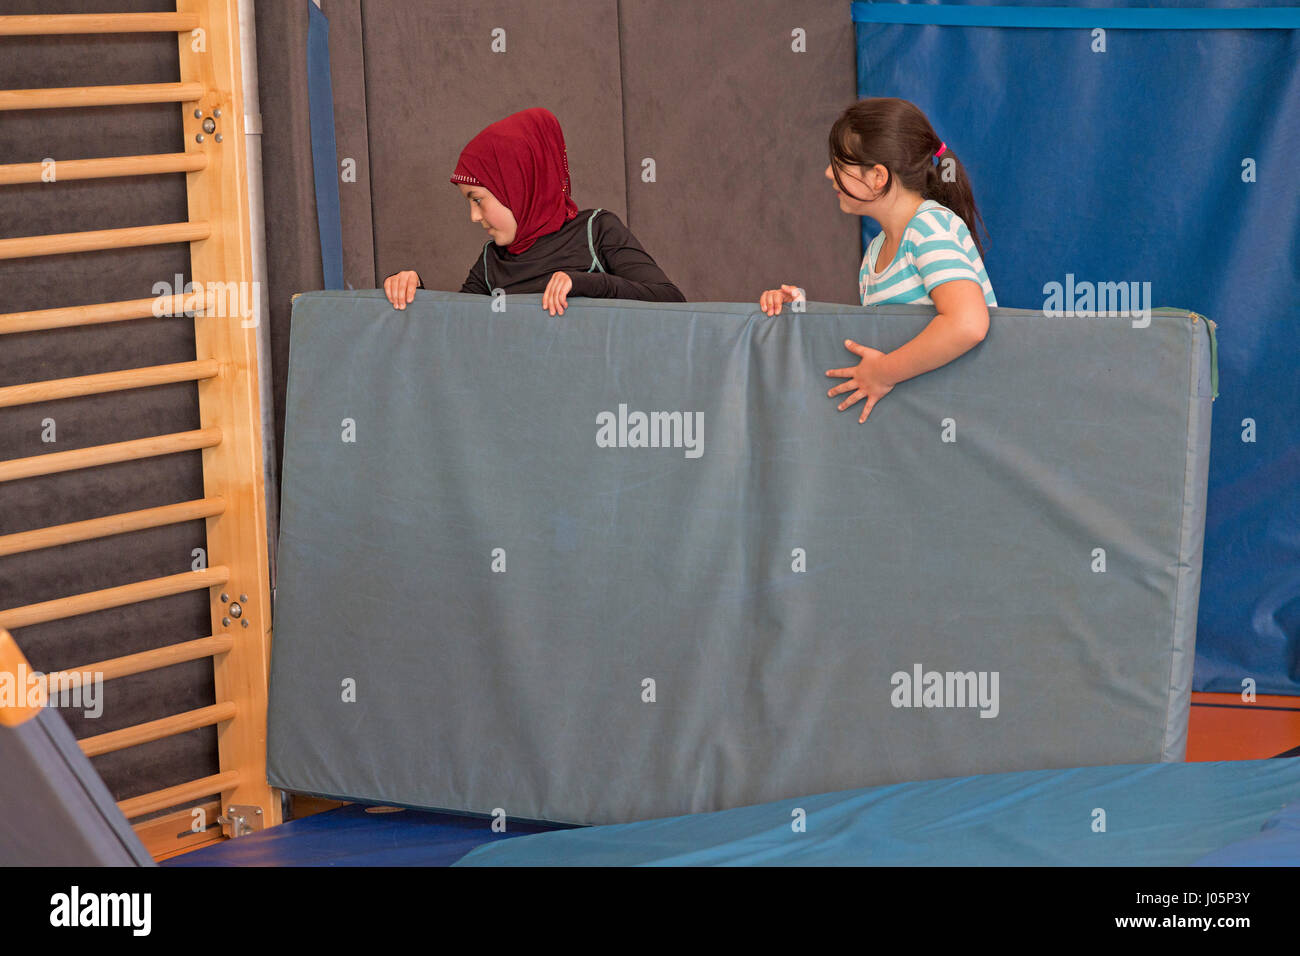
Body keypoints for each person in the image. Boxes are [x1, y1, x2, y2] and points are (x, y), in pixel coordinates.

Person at [759, 98, 996, 423]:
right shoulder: (875, 254)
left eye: (840, 165)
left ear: (877, 177)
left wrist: (883, 373)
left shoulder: (929, 228)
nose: (828, 173)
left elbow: (968, 324)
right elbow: (881, 341)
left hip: (966, 419)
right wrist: (801, 311)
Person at [385, 107, 684, 315]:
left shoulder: (596, 231)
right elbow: (456, 329)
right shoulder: (492, 261)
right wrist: (415, 292)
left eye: (477, 200)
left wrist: (582, 283)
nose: (474, 217)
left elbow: (671, 301)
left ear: (517, 186)